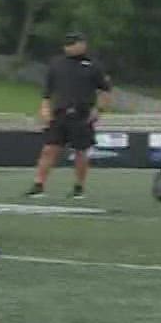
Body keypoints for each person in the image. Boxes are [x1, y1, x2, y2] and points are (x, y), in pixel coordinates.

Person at [30, 32, 112, 199]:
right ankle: (38, 185)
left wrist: (99, 110)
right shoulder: (56, 64)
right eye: (68, 44)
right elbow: (47, 91)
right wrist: (45, 108)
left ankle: (78, 187)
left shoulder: (93, 65)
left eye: (74, 44)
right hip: (60, 113)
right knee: (49, 149)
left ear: (82, 44)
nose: (70, 47)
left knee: (81, 151)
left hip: (82, 114)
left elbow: (105, 90)